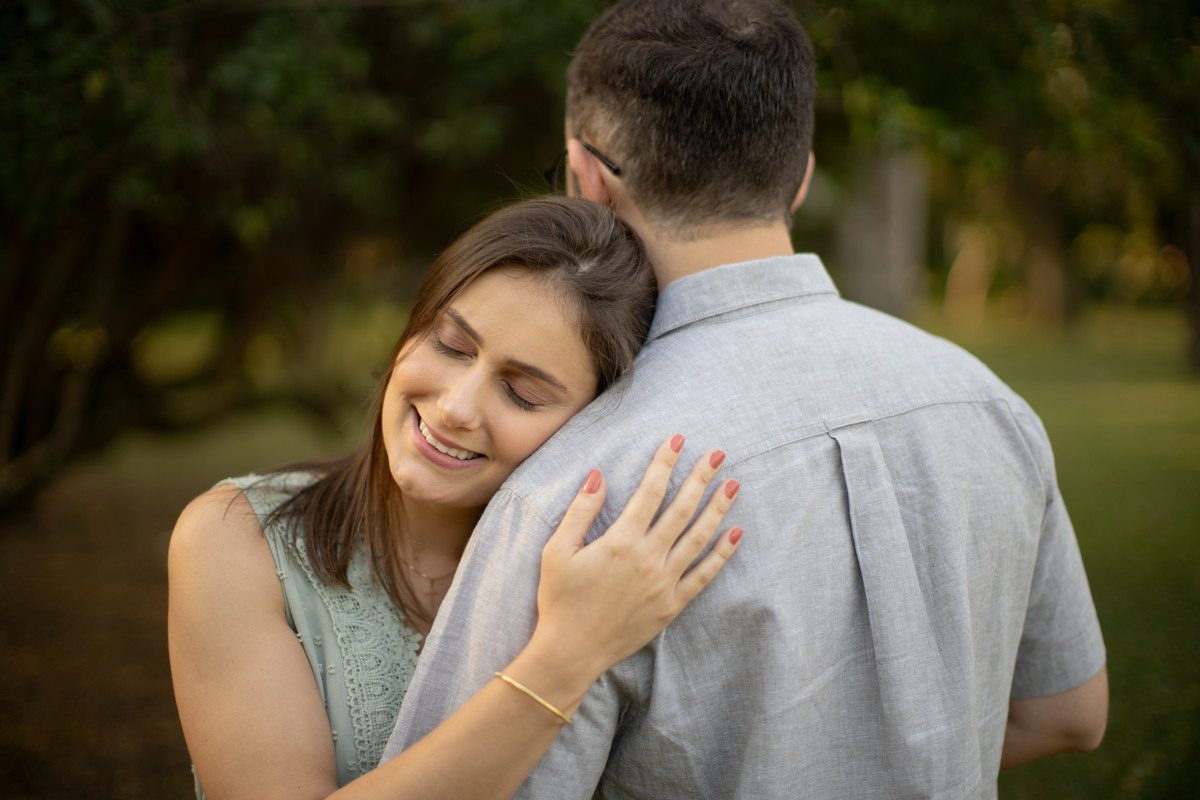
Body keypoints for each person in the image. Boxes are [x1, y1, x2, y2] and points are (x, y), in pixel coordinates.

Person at [382, 1, 1109, 797]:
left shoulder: (577, 497)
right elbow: (1068, 714)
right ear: (798, 177)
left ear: (586, 177)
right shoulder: (989, 406)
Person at [167, 196, 744, 800]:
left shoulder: (605, 574)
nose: (455, 408)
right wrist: (569, 654)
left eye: (521, 394)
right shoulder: (233, 540)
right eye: (450, 345)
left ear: (591, 427)